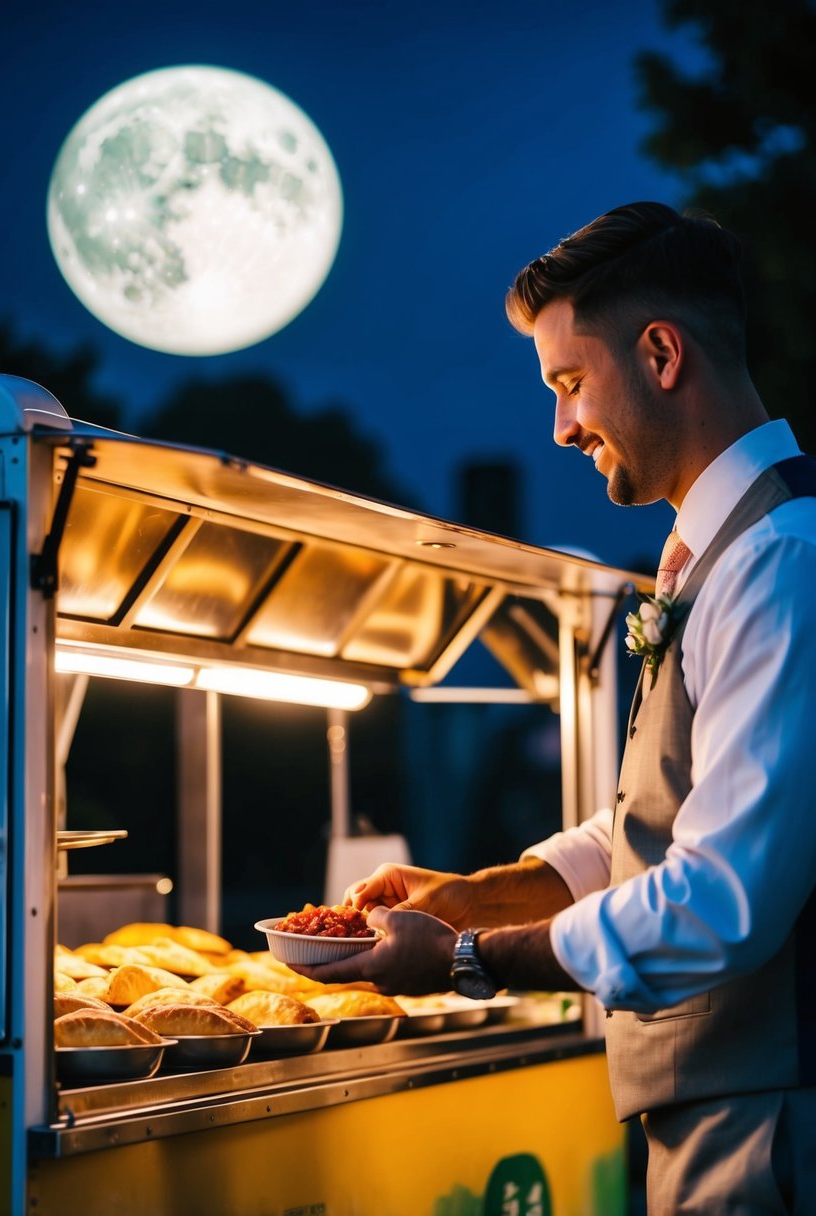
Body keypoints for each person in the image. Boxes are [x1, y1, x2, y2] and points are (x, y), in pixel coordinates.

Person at [295, 202, 816, 1213]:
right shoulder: (716, 555)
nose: (561, 427)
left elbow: (718, 898)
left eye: (570, 383)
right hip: (728, 1103)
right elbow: (659, 823)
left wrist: (461, 960)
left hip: (772, 1112)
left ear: (661, 352)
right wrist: (471, 894)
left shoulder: (780, 562)